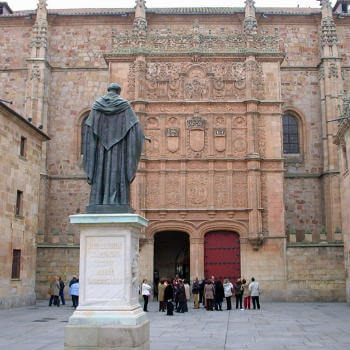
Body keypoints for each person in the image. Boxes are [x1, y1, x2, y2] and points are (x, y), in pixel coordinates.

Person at [82, 82, 148, 213]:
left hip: (101, 151)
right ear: (118, 92)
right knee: (117, 172)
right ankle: (117, 200)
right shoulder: (124, 105)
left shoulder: (96, 106)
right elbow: (135, 126)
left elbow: (89, 127)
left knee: (101, 171)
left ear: (108, 91)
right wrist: (142, 137)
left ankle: (98, 200)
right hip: (119, 151)